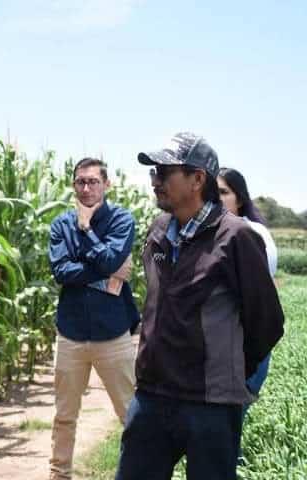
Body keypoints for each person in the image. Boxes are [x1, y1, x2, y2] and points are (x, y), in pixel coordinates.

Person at [115, 132, 284, 480]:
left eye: (164, 172)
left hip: (210, 405)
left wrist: (231, 370)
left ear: (197, 179)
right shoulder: (159, 230)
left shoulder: (236, 237)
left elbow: (266, 322)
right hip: (152, 396)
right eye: (153, 173)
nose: (155, 181)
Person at [48, 157, 139, 480]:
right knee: (64, 416)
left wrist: (86, 229)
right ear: (74, 185)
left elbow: (112, 257)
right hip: (71, 334)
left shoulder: (121, 220)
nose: (86, 188)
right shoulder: (60, 224)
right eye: (80, 182)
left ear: (106, 184)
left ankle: (136, 473)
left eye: (93, 181)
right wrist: (105, 276)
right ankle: (60, 474)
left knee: (130, 413)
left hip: (113, 336)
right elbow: (61, 271)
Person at [218, 167, 278, 410]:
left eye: (223, 192)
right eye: (211, 192)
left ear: (240, 199)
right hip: (217, 355)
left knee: (227, 432)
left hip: (243, 354)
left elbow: (259, 304)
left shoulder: (252, 234)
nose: (216, 198)